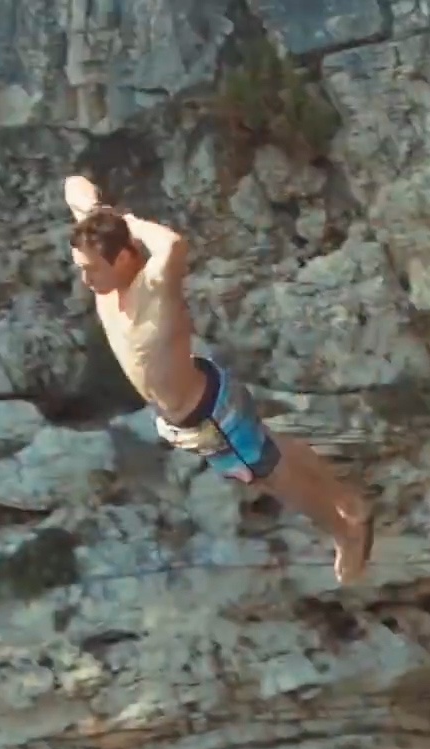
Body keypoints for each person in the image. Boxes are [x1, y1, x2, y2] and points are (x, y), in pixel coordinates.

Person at [64, 175, 374, 584]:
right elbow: (74, 184)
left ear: (123, 258)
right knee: (270, 447)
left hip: (208, 416)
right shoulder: (104, 266)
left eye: (91, 270)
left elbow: (173, 243)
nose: (86, 281)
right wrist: (98, 213)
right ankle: (348, 500)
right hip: (199, 404)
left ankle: (346, 533)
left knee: (273, 477)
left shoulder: (153, 287)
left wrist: (131, 221)